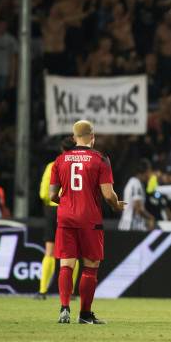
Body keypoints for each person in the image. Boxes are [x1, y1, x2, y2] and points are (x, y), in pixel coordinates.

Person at [49, 120, 125, 324]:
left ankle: (64, 308)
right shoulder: (100, 159)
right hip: (90, 219)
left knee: (66, 264)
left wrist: (64, 202)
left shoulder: (60, 159)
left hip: (65, 217)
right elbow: (108, 194)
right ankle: (84, 314)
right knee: (90, 266)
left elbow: (52, 195)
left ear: (74, 138)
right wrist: (116, 205)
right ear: (93, 137)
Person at [36, 138, 78, 300]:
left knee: (50, 251)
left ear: (61, 149)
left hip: (53, 210)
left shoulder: (52, 166)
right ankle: (71, 292)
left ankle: (42, 291)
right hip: (72, 210)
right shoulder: (80, 167)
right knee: (73, 252)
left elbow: (43, 194)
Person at [118, 159, 156, 231]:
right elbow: (138, 208)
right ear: (146, 171)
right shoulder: (135, 183)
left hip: (129, 224)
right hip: (130, 226)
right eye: (150, 171)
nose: (150, 174)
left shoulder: (135, 182)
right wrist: (151, 218)